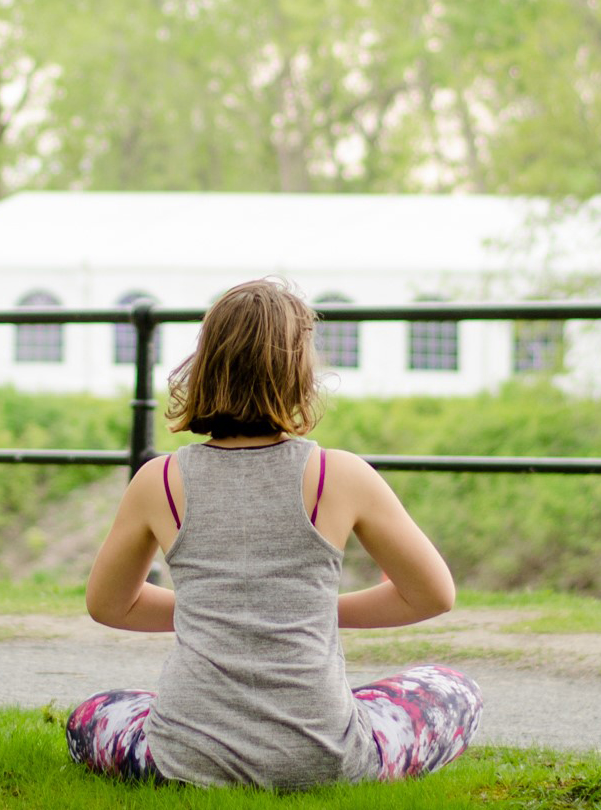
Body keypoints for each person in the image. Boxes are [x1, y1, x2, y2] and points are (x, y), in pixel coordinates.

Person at [67, 279, 481, 790]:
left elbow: (109, 605)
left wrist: (221, 610)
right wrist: (287, 610)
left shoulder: (158, 481)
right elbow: (433, 595)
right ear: (299, 372)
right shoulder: (341, 475)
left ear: (205, 364)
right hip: (323, 758)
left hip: (185, 758)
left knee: (93, 712)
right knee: (454, 690)